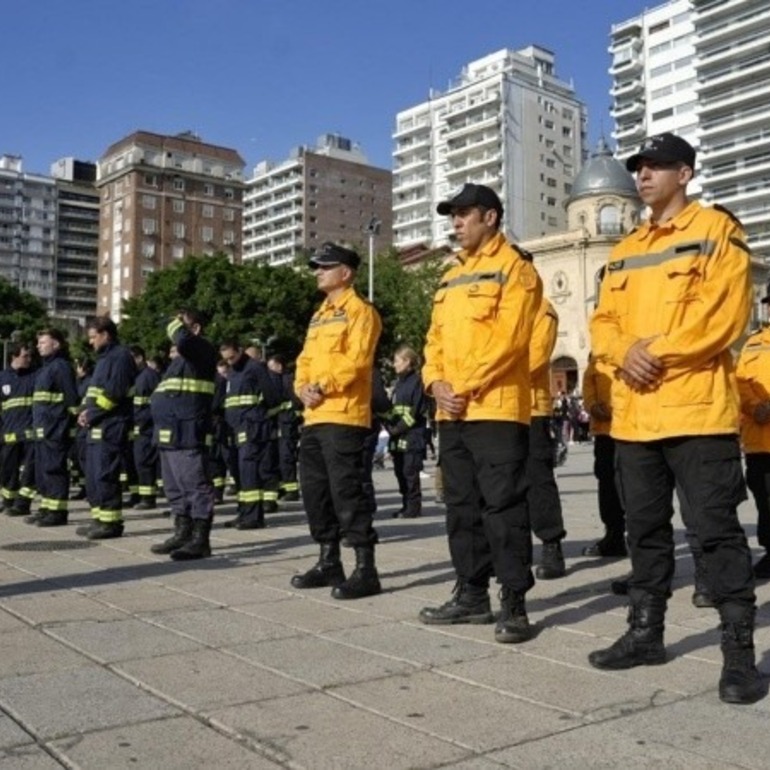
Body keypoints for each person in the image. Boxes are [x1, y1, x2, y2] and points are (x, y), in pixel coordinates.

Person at [588, 132, 762, 704]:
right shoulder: (624, 249)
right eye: (638, 166)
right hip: (636, 420)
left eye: (657, 166)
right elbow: (603, 322)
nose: (643, 175)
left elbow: (725, 316)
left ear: (684, 174)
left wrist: (652, 352)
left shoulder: (715, 231)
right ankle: (645, 634)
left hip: (697, 414)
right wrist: (622, 354)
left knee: (715, 534)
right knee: (646, 533)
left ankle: (739, 654)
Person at [418, 183, 542, 644]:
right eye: (453, 215)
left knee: (503, 507)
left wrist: (461, 386)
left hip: (496, 407)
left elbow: (510, 341)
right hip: (452, 410)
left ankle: (514, 602)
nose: (456, 222)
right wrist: (435, 383)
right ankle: (471, 594)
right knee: (461, 506)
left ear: (490, 217)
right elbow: (433, 340)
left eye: (464, 213)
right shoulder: (449, 276)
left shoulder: (516, 268)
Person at [290, 241, 382, 600]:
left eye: (324, 267)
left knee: (348, 493)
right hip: (314, 415)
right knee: (315, 492)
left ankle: (365, 568)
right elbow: (305, 359)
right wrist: (301, 388)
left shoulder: (361, 311)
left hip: (344, 416)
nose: (317, 272)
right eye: (317, 267)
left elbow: (357, 361)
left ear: (345, 273)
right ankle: (329, 561)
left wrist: (321, 385)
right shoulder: (319, 315)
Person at [149, 309, 218, 560]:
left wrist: (175, 324)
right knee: (174, 487)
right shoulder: (178, 362)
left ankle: (200, 540)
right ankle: (182, 533)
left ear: (196, 328)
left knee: (194, 485)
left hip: (188, 432)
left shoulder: (202, 349)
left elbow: (184, 340)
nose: (174, 329)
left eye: (181, 323)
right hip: (168, 433)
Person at [77, 316, 136, 539]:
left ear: (106, 335)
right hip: (96, 423)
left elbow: (115, 392)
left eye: (93, 337)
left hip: (111, 424)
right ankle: (99, 519)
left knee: (105, 473)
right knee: (93, 474)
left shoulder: (119, 357)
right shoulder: (103, 359)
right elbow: (94, 393)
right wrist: (84, 410)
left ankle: (111, 523)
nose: (91, 342)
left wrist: (91, 413)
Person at [219, 339, 281, 530]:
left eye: (232, 357)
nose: (229, 362)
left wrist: (259, 416)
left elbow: (272, 396)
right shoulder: (234, 371)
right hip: (235, 428)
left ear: (240, 350)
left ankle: (254, 516)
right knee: (238, 474)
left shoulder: (255, 368)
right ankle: (244, 513)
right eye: (226, 359)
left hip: (251, 427)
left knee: (249, 473)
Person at [526, 296, 567, 579]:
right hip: (493, 407)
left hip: (531, 408)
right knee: (498, 484)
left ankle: (551, 544)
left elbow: (536, 358)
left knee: (538, 481)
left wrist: (485, 373)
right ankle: (510, 546)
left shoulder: (541, 308)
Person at [736, 287, 770, 579]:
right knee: (764, 498)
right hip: (759, 441)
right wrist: (755, 405)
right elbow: (740, 382)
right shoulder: (753, 344)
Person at [28, 329, 79, 526]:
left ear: (56, 344)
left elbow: (71, 399)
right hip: (43, 429)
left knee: (55, 469)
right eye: (38, 342)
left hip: (55, 429)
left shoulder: (61, 367)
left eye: (43, 342)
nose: (38, 346)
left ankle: (58, 512)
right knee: (43, 471)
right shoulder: (44, 368)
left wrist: (65, 426)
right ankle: (47, 508)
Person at [581, 352, 627, 558]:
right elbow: (588, 382)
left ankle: (639, 536)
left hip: (630, 426)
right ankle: (613, 535)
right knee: (606, 482)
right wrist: (591, 405)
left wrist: (615, 408)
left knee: (635, 483)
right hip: (603, 430)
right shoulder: (596, 355)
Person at [387, 345, 427, 519]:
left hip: (412, 435)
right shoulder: (398, 384)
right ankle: (405, 505)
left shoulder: (417, 382)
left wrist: (397, 428)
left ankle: (413, 507)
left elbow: (415, 411)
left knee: (410, 473)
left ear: (407, 361)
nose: (394, 365)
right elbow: (394, 409)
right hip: (397, 436)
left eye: (396, 361)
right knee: (400, 472)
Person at [0, 343, 36, 517]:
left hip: (30, 434)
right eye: (25, 356)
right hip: (8, 434)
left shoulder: (34, 376)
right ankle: (8, 501)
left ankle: (23, 504)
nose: (29, 359)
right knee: (8, 471)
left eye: (30, 356)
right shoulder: (2, 378)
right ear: (13, 357)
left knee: (29, 471)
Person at [267, 354, 302, 502]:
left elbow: (295, 403)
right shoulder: (284, 379)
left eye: (272, 367)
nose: (271, 371)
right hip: (283, 421)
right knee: (281, 456)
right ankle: (284, 487)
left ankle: (292, 490)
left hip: (287, 422)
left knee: (286, 456)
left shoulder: (288, 380)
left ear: (279, 366)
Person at [130, 345, 161, 510]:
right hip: (138, 427)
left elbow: (155, 403)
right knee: (139, 463)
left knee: (145, 462)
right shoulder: (136, 376)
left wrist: (143, 423)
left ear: (140, 358)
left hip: (147, 428)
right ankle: (141, 496)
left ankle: (148, 498)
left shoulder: (149, 376)